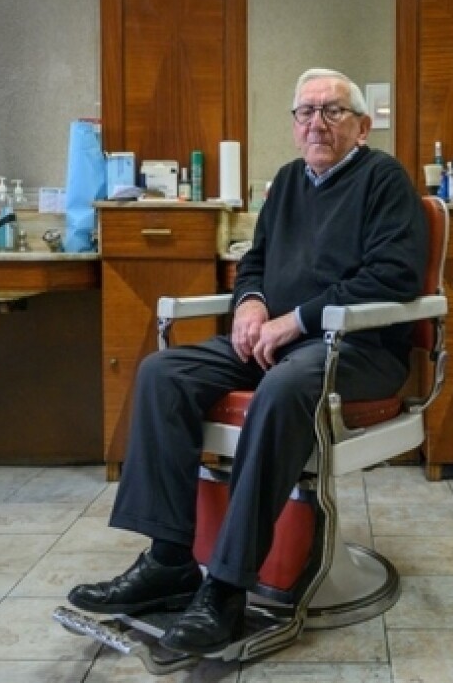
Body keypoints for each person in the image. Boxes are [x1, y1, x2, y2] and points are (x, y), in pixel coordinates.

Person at [68, 68, 428, 656]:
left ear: (362, 127)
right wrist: (252, 304)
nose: (317, 122)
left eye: (333, 111)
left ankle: (228, 588)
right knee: (163, 373)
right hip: (282, 344)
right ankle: (169, 560)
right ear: (293, 127)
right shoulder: (287, 183)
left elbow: (394, 277)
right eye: (305, 112)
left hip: (360, 348)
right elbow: (253, 264)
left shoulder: (384, 181)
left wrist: (298, 319)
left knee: (282, 390)